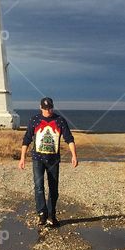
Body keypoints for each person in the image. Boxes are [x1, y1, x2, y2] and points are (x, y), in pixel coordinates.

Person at [19, 96, 78, 227]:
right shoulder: (34, 120)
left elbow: (69, 138)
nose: (48, 111)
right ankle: (42, 214)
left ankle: (52, 215)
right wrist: (22, 158)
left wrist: (74, 155)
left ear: (53, 107)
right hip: (37, 159)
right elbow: (27, 139)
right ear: (40, 107)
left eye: (50, 108)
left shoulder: (60, 120)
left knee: (53, 189)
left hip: (53, 160)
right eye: (45, 108)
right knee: (39, 187)